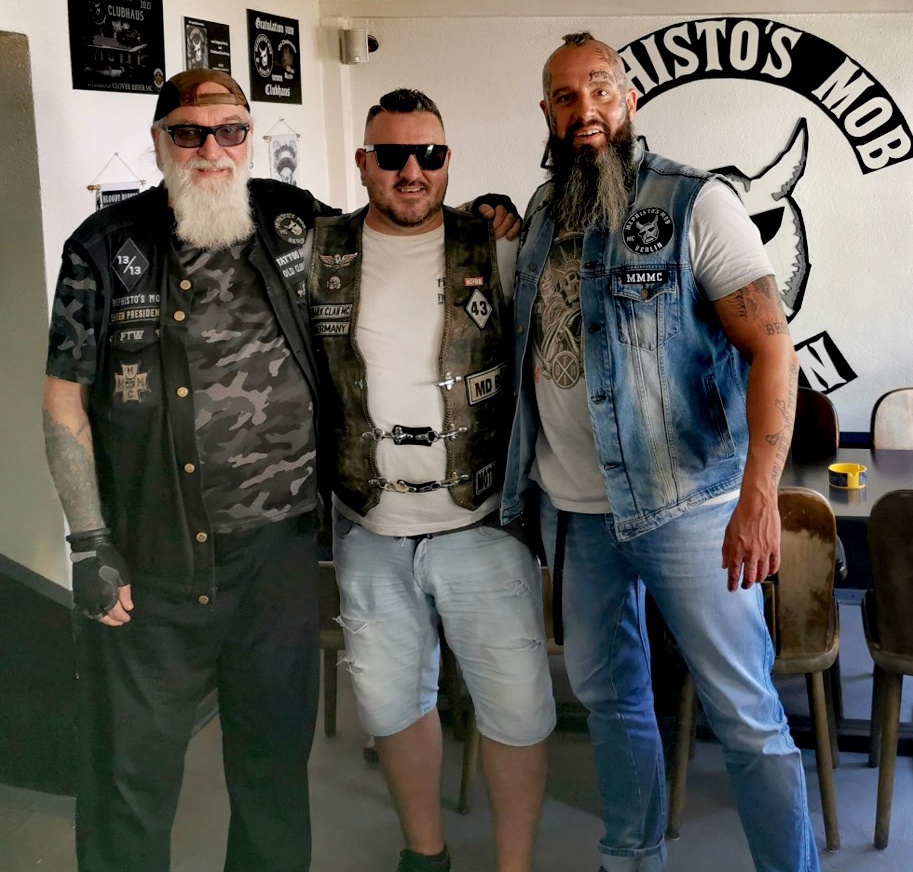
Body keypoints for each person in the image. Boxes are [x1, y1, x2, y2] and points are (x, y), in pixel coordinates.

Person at [501, 33, 820, 872]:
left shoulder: (694, 202)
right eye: (566, 97)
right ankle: (631, 858)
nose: (585, 110)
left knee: (746, 716)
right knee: (611, 703)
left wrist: (759, 498)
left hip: (689, 508)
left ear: (630, 100)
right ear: (547, 112)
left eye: (600, 90)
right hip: (575, 512)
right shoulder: (541, 215)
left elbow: (773, 349)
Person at [42, 68, 336, 872]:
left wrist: (489, 220)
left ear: (249, 137)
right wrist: (89, 543)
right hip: (153, 559)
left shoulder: (296, 221)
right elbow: (64, 402)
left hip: (279, 555)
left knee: (274, 769)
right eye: (189, 132)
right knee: (130, 778)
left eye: (230, 130)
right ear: (160, 141)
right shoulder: (104, 247)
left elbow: (396, 236)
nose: (212, 149)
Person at [309, 88, 555, 872]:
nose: (411, 170)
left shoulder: (498, 246)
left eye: (430, 154)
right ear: (363, 163)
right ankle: (425, 855)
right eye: (391, 155)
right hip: (370, 527)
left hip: (482, 525)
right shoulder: (318, 252)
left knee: (516, 709)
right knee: (390, 707)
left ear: (449, 160)